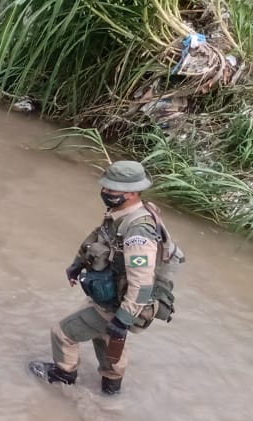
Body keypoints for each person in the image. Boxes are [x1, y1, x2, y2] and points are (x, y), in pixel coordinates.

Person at [29, 161, 185, 395]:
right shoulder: (125, 213)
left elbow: (141, 284)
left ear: (133, 192)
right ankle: (111, 389)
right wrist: (77, 265)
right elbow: (100, 240)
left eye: (113, 190)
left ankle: (63, 377)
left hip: (123, 302)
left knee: (63, 333)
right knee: (105, 336)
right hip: (115, 294)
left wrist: (122, 320)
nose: (106, 193)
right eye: (106, 188)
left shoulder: (138, 232)